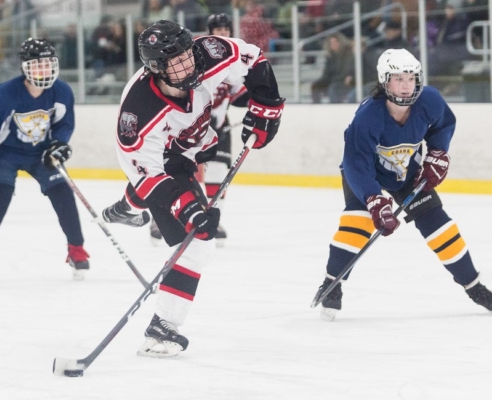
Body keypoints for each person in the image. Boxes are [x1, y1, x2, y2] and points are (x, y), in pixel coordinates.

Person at [102, 20, 284, 357]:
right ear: (156, 68)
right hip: (166, 162)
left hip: (197, 140)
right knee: (199, 244)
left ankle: (127, 208)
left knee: (186, 221)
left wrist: (267, 106)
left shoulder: (206, 53)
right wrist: (187, 208)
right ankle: (163, 327)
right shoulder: (138, 115)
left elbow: (253, 59)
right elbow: (150, 177)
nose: (189, 64)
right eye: (177, 61)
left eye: (188, 54)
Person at [312, 48, 492, 322]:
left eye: (411, 78)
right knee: (358, 223)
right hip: (366, 175)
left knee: (440, 226)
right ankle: (331, 284)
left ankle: (474, 286)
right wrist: (373, 199)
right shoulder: (368, 116)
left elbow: (443, 124)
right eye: (399, 79)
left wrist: (438, 153)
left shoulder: (429, 100)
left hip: (407, 173)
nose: (406, 86)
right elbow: (356, 164)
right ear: (385, 81)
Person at [149, 12, 249, 246]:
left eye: (226, 30)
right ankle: (161, 217)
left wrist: (261, 103)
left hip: (218, 129)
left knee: (216, 173)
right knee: (176, 173)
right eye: (219, 30)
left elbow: (239, 97)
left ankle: (213, 215)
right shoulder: (199, 56)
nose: (223, 34)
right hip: (187, 129)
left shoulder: (232, 61)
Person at [0, 38, 90, 280]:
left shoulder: (62, 91)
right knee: (0, 195)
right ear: (25, 67)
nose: (43, 70)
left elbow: (63, 124)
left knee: (63, 192)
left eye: (47, 64)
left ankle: (76, 249)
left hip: (41, 153)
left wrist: (59, 144)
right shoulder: (5, 94)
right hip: (5, 153)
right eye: (37, 65)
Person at [310, 32, 354, 104]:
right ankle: (316, 107)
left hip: (343, 82)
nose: (333, 45)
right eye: (331, 43)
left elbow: (346, 71)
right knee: (315, 86)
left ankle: (335, 108)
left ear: (341, 42)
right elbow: (326, 73)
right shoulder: (330, 56)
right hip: (332, 80)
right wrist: (322, 81)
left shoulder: (348, 55)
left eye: (335, 42)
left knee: (333, 88)